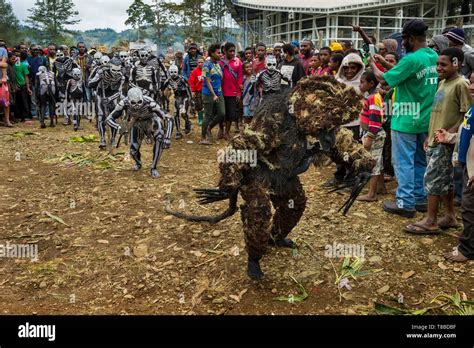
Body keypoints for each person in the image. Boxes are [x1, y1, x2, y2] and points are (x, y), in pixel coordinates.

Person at [370, 19, 439, 218]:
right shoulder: (433, 56)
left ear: (411, 38)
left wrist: (374, 65)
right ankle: (419, 199)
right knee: (420, 161)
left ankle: (405, 203)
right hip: (425, 119)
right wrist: (385, 63)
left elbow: (383, 79)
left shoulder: (411, 59)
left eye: (404, 39)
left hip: (406, 119)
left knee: (403, 162)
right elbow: (407, 73)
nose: (402, 43)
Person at [404, 48, 471, 234]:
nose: (438, 67)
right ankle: (449, 215)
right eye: (437, 64)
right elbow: (438, 112)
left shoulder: (461, 84)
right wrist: (429, 135)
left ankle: (431, 220)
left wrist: (448, 134)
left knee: (432, 179)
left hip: (445, 142)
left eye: (444, 64)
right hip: (435, 140)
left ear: (456, 63)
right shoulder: (442, 83)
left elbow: (467, 115)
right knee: (444, 181)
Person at [440, 71, 474, 262]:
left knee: (469, 208)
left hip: (473, 171)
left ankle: (467, 249)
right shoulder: (472, 110)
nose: (472, 86)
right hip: (467, 166)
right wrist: (450, 137)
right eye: (471, 81)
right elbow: (466, 134)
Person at [357, 71, 386, 202]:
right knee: (378, 160)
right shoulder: (372, 96)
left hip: (374, 134)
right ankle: (381, 187)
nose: (359, 85)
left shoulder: (373, 98)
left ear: (371, 84)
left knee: (372, 162)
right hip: (374, 133)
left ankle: (372, 193)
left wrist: (369, 136)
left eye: (362, 82)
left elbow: (375, 119)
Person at [200, 44, 225, 145]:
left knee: (222, 113)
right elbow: (207, 81)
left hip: (219, 92)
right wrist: (214, 94)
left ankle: (209, 127)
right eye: (218, 53)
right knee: (208, 115)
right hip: (209, 94)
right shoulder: (206, 65)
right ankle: (202, 137)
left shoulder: (217, 64)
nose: (220, 54)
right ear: (212, 53)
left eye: (220, 52)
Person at [219, 42, 243, 140]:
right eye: (230, 51)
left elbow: (240, 78)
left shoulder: (238, 62)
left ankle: (227, 132)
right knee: (220, 113)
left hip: (232, 93)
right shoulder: (219, 61)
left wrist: (238, 92)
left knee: (231, 114)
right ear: (225, 51)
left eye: (234, 51)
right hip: (220, 92)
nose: (232, 53)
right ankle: (221, 130)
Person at [14, 51, 32, 122]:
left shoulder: (23, 65)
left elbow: (26, 76)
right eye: (16, 56)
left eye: (18, 56)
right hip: (15, 85)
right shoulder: (12, 65)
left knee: (24, 101)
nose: (17, 58)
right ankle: (18, 116)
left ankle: (25, 116)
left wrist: (27, 87)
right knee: (17, 101)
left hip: (23, 85)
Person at [189, 57, 204, 126]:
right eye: (199, 62)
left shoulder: (206, 70)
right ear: (197, 63)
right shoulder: (194, 71)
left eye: (202, 62)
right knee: (199, 105)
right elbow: (191, 82)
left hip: (206, 91)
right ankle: (200, 119)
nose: (200, 64)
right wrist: (193, 91)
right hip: (198, 91)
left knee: (207, 105)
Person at [0, 42, 12, 127]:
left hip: (2, 80)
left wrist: (4, 77)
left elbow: (4, 64)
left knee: (5, 101)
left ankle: (7, 121)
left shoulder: (2, 50)